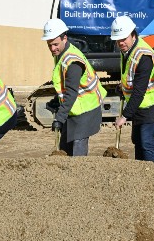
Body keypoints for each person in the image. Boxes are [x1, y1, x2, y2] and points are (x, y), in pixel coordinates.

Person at [110, 16, 154, 162]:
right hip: (141, 105)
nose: (121, 43)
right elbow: (131, 75)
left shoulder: (143, 55)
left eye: (124, 38)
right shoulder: (127, 50)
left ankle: (150, 174)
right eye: (118, 40)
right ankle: (140, 172)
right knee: (137, 140)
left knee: (146, 142)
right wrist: (123, 87)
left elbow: (139, 90)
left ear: (133, 34)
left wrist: (124, 117)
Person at [42, 18, 106, 156]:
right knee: (65, 145)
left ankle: (79, 175)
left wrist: (59, 118)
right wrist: (57, 99)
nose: (52, 48)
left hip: (86, 108)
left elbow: (71, 92)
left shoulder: (73, 62)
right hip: (75, 108)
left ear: (65, 38)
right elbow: (65, 85)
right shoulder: (61, 53)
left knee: (78, 146)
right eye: (49, 45)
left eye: (55, 44)